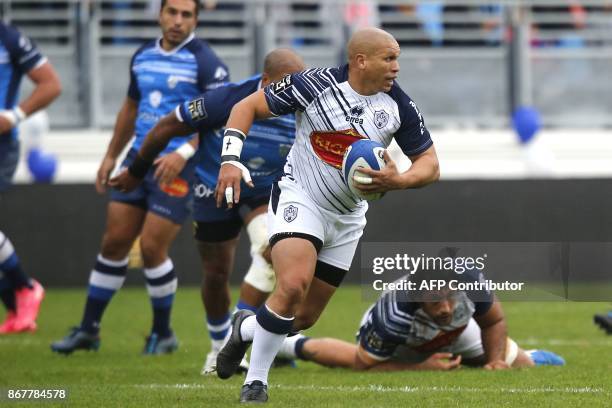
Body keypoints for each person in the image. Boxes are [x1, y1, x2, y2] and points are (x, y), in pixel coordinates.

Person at [214, 27, 440, 403]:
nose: (396, 67)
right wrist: (230, 160)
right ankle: (256, 382)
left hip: (348, 218)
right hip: (300, 198)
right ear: (361, 60)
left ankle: (246, 329)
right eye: (389, 58)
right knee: (291, 286)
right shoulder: (315, 85)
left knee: (301, 317)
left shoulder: (398, 105)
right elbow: (246, 107)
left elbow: (430, 165)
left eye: (397, 58)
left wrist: (398, 180)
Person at [109, 48, 305, 373]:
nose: (291, 97)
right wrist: (137, 169)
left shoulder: (304, 106)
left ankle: (241, 341)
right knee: (215, 274)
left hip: (266, 191)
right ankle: (218, 346)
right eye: (284, 88)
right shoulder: (224, 100)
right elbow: (166, 127)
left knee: (270, 253)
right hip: (215, 187)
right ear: (265, 81)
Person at [50, 0, 229, 355]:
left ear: (195, 19)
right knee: (114, 242)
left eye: (186, 15)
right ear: (160, 14)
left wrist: (183, 152)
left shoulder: (206, 62)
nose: (178, 21)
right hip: (138, 159)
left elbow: (218, 115)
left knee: (150, 248)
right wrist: (110, 156)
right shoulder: (142, 55)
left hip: (178, 164)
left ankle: (162, 333)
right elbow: (131, 109)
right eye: (172, 12)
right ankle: (88, 330)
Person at [275, 268, 566, 371]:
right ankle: (290, 346)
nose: (447, 309)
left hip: (454, 335)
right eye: (436, 302)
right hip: (405, 344)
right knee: (357, 361)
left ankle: (536, 356)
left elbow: (493, 321)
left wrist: (494, 361)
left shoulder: (470, 282)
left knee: (520, 362)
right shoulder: (393, 316)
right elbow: (366, 366)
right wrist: (420, 366)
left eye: (450, 297)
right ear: (418, 299)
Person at [0, 22, 61, 334]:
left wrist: (13, 117)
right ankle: (16, 302)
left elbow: (51, 83)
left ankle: (24, 289)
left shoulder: (10, 39)